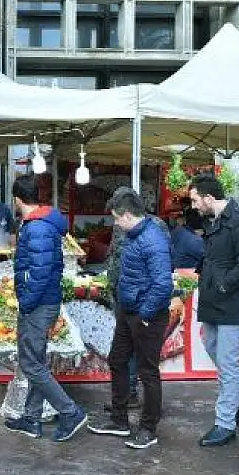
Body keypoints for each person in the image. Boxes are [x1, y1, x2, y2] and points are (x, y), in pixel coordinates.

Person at [3, 174, 88, 442]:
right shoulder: (42, 223)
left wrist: (26, 302)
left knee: (31, 364)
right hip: (45, 302)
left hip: (38, 304)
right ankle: (31, 418)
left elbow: (39, 273)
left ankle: (70, 411)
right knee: (36, 362)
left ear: (17, 199)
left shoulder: (37, 227)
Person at [89, 187, 172, 450]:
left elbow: (162, 285)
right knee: (117, 359)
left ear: (126, 215)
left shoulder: (153, 239)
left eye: (116, 217)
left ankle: (149, 428)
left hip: (146, 314)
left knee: (148, 372)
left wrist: (146, 314)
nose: (115, 223)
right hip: (128, 309)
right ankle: (119, 419)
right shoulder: (135, 236)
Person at [189, 174, 239, 447]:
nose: (194, 206)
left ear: (209, 198)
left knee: (227, 362)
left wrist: (223, 285)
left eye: (196, 200)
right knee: (212, 348)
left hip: (232, 302)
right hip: (214, 300)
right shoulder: (213, 220)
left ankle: (225, 424)